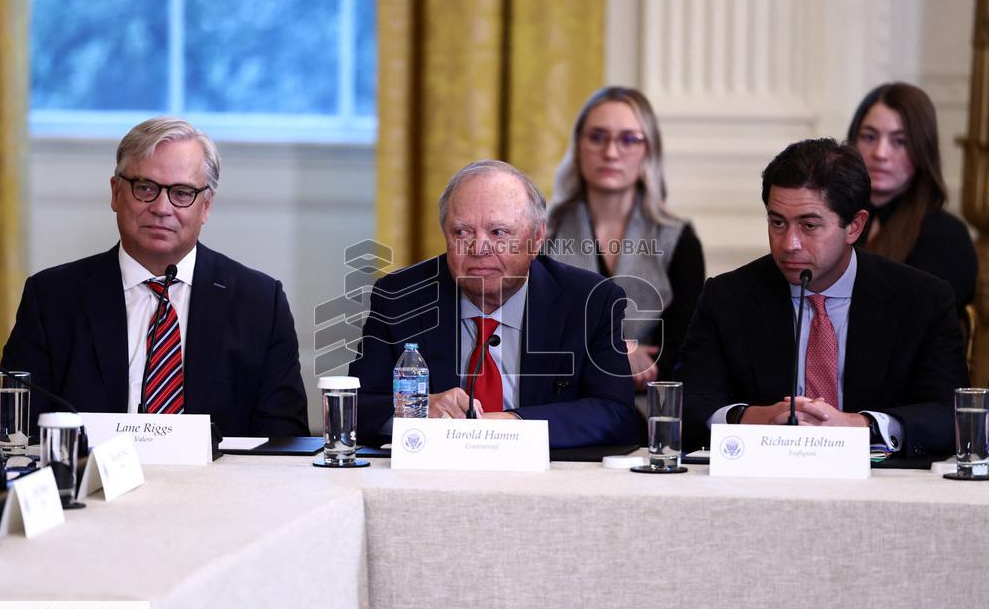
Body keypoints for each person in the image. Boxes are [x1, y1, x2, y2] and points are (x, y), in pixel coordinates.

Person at [1, 116, 308, 437]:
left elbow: (284, 440)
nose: (162, 207)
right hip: (91, 483)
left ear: (206, 206)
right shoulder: (52, 298)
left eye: (182, 192)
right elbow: (14, 430)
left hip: (218, 485)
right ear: (116, 193)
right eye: (145, 188)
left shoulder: (260, 303)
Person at [678, 138, 966, 457]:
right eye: (777, 223)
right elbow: (687, 403)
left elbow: (949, 413)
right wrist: (750, 418)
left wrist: (861, 426)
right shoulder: (727, 297)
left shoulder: (922, 300)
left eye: (809, 226)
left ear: (854, 226)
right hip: (762, 478)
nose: (790, 243)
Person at [348, 160, 637, 448]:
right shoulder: (399, 296)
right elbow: (356, 407)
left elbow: (616, 413)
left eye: (498, 232)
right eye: (462, 232)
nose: (479, 248)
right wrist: (417, 411)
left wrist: (515, 424)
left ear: (536, 239)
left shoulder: (591, 300)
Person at [547, 86, 705, 388]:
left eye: (629, 139)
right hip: (560, 399)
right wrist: (621, 353)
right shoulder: (545, 231)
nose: (610, 153)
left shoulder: (679, 240)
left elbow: (686, 347)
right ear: (578, 145)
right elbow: (535, 333)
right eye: (597, 137)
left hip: (649, 406)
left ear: (649, 150)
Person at [848, 82, 977, 317]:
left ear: (922, 151)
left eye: (900, 141)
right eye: (869, 137)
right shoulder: (837, 220)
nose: (880, 153)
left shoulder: (945, 237)